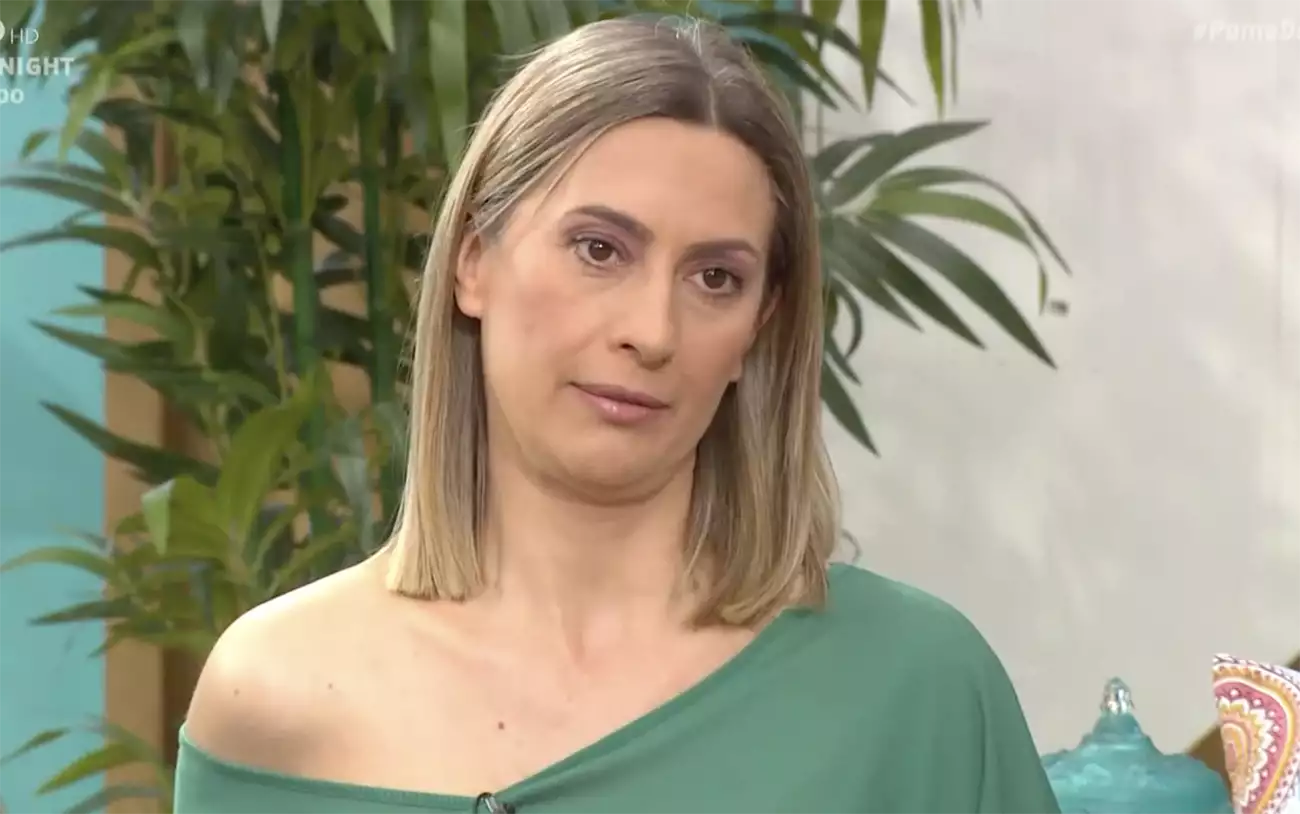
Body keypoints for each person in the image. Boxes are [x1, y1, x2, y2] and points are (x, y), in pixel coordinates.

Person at [175, 15, 1061, 814]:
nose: (653, 331)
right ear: (474, 263)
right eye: (599, 249)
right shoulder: (276, 693)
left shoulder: (916, 688)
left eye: (715, 277)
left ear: (759, 327)